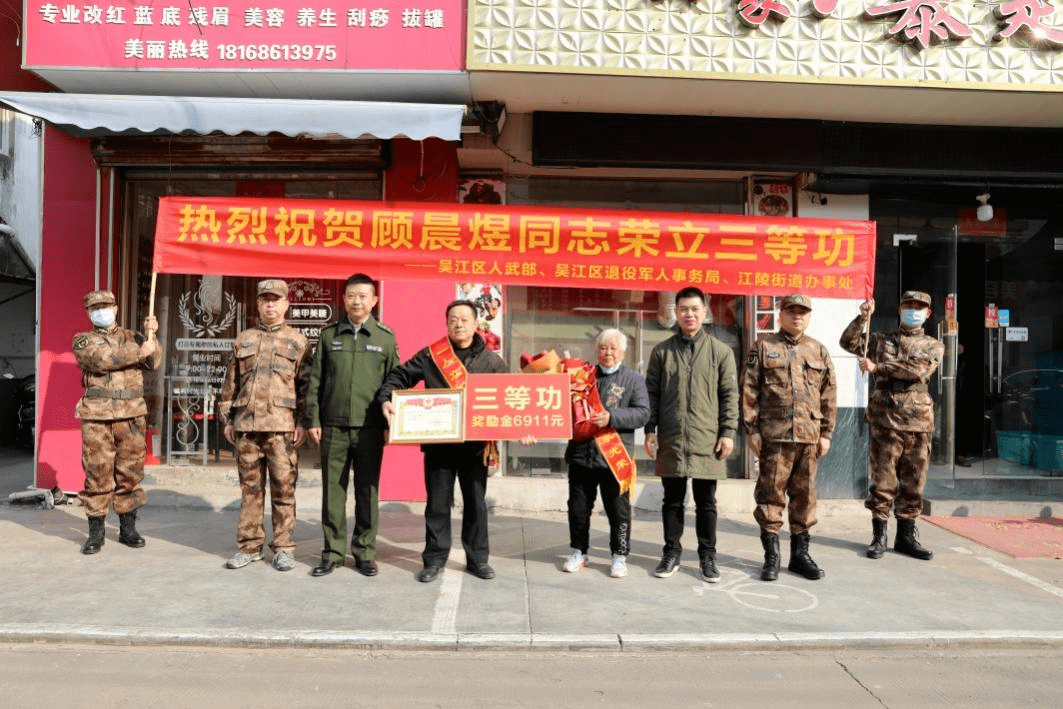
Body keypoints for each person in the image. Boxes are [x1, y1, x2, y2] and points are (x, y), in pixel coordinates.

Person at [379, 300, 507, 583]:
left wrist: (525, 431)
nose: (458, 324)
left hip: (476, 448)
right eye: (453, 319)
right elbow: (400, 376)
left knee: (476, 504)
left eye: (464, 319)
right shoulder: (431, 356)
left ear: (476, 325)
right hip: (439, 446)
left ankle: (477, 560)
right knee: (437, 505)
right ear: (446, 324)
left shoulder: (493, 363)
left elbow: (509, 404)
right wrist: (386, 398)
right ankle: (435, 560)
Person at [840, 290, 945, 561]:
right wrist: (862, 318)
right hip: (885, 420)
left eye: (919, 307)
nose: (913, 310)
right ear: (900, 309)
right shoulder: (880, 339)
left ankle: (906, 536)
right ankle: (879, 536)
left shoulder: (933, 345)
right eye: (908, 306)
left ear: (928, 313)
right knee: (883, 480)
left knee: (914, 482)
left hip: (918, 422)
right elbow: (848, 342)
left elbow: (917, 370)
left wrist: (878, 369)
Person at [644, 286, 739, 582]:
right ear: (676, 312)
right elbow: (652, 395)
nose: (689, 314)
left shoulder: (720, 352)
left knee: (706, 502)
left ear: (704, 312)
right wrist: (650, 431)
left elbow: (729, 395)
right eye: (683, 309)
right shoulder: (662, 352)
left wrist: (727, 432)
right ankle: (671, 552)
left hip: (707, 438)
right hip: (672, 437)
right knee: (671, 500)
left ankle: (707, 556)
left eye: (695, 309)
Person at [306, 274, 398, 577]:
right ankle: (332, 552)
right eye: (351, 295)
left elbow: (394, 383)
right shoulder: (329, 335)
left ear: (374, 300)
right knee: (333, 491)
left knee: (367, 491)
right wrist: (313, 419)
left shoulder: (385, 338)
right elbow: (315, 380)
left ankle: (364, 552)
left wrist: (390, 425)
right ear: (343, 299)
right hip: (332, 426)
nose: (356, 301)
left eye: (362, 296)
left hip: (370, 428)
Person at [741, 294, 837, 582]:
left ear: (809, 317)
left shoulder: (818, 350)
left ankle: (800, 556)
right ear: (780, 315)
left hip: (809, 437)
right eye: (792, 312)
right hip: (775, 437)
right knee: (770, 496)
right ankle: (772, 558)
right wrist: (752, 429)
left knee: (805, 498)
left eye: (803, 313)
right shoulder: (764, 346)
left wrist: (827, 433)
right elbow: (749, 389)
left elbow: (829, 394)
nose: (798, 317)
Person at [218, 279, 311, 572]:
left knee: (284, 489)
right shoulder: (243, 339)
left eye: (276, 299)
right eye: (265, 300)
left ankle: (283, 547)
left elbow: (307, 386)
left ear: (286, 304)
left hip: (282, 429)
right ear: (258, 304)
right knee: (250, 490)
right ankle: (250, 546)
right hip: (247, 426)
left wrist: (304, 423)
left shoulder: (298, 342)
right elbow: (230, 382)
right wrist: (227, 417)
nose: (270, 305)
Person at [72, 289, 160, 554]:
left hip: (131, 415)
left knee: (130, 474)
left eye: (106, 306)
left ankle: (127, 529)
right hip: (97, 416)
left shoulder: (135, 337)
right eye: (95, 308)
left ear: (116, 308)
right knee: (97, 473)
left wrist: (154, 338)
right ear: (88, 312)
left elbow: (153, 362)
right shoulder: (83, 340)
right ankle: (96, 532)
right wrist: (140, 352)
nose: (101, 311)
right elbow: (100, 361)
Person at [559, 329, 650, 578]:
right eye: (603, 348)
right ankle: (579, 551)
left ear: (623, 351)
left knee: (618, 511)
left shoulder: (633, 380)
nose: (607, 353)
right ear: (596, 350)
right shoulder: (583, 377)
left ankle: (619, 556)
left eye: (613, 348)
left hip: (614, 457)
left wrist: (612, 417)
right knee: (577, 509)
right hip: (581, 455)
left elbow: (643, 413)